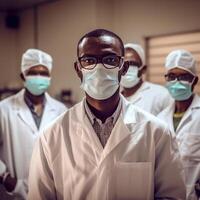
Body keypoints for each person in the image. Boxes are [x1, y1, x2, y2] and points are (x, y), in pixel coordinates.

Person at [28, 29, 186, 200]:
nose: (99, 68)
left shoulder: (157, 133)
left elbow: (172, 195)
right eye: (89, 60)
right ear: (78, 68)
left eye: (110, 59)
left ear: (124, 67)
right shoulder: (51, 136)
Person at [0, 49, 67, 199]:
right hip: (14, 192)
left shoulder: (61, 110)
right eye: (33, 72)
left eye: (44, 73)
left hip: (52, 190)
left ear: (49, 77)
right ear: (23, 76)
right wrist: (5, 178)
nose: (39, 77)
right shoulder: (4, 109)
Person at [158, 49, 200, 200]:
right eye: (172, 76)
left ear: (194, 80)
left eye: (183, 76)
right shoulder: (159, 119)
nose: (177, 82)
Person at [121, 43, 172, 115]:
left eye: (132, 64)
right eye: (123, 64)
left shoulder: (161, 95)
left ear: (144, 69)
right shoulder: (113, 97)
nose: (127, 68)